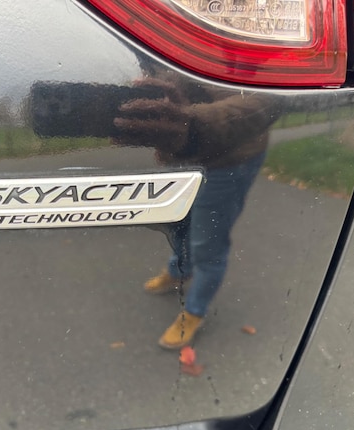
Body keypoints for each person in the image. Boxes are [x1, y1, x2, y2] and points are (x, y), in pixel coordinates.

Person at [115, 70, 280, 349]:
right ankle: (179, 270)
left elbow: (266, 99)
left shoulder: (241, 46)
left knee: (208, 242)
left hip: (227, 160)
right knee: (177, 224)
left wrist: (191, 124)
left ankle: (194, 311)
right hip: (180, 155)